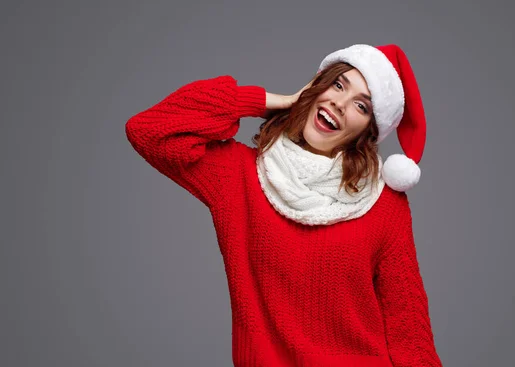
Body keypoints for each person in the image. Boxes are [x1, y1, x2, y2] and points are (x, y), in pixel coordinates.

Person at [125, 43, 443, 366]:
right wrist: (270, 102)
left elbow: (411, 336)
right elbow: (150, 131)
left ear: (368, 133)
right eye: (337, 84)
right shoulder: (239, 177)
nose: (339, 103)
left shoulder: (383, 205)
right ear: (316, 87)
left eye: (361, 106)